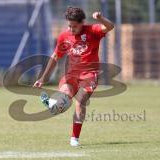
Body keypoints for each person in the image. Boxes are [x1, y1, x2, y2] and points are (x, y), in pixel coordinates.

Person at [33, 6, 114, 147]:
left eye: (75, 26)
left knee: (80, 100)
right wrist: (43, 78)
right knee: (63, 101)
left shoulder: (92, 31)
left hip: (89, 75)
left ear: (82, 22)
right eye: (69, 26)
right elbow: (55, 57)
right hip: (71, 75)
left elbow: (110, 26)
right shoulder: (64, 36)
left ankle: (74, 139)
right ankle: (53, 105)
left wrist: (100, 18)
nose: (71, 29)